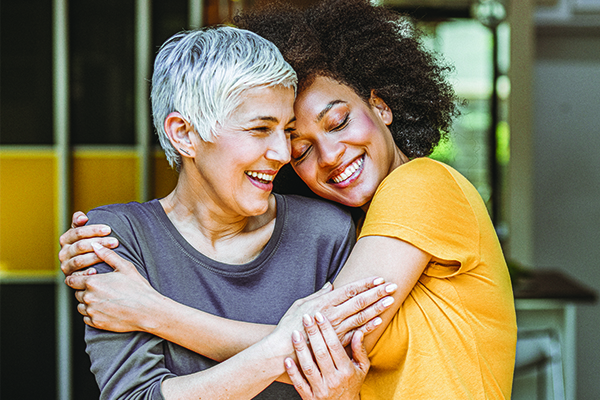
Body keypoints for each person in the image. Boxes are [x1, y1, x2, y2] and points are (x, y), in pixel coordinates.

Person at [61, 0, 518, 398]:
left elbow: (329, 345)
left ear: (381, 106)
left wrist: (151, 311)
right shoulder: (354, 227)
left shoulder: (421, 183)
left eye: (338, 122)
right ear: (185, 135)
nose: (328, 154)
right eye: (298, 146)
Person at [67, 25, 399, 400]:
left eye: (287, 132)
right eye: (260, 129)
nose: (283, 153)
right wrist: (282, 348)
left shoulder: (325, 232)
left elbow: (345, 376)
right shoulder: (113, 239)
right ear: (184, 134)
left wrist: (154, 312)